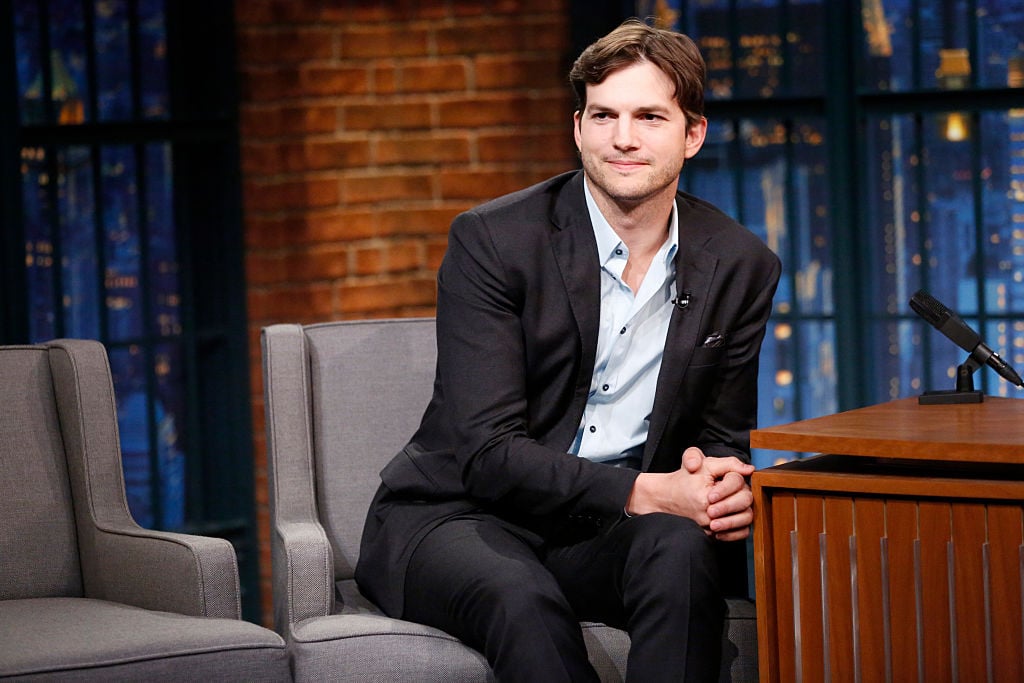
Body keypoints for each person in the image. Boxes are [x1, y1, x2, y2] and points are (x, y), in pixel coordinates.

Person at [356, 17, 781, 682]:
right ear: (578, 127)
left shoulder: (740, 263)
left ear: (692, 134)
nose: (623, 138)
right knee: (522, 596)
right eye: (603, 114)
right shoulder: (494, 240)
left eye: (648, 116)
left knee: (680, 549)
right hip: (458, 516)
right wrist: (644, 488)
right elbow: (487, 451)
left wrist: (718, 483)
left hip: (598, 531)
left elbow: (722, 436)